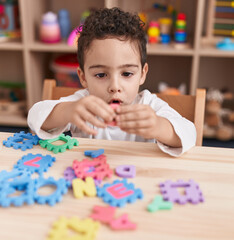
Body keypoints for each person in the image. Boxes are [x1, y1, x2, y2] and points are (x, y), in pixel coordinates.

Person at [28, 7, 196, 157]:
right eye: (101, 75)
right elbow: (35, 116)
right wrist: (67, 111)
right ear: (83, 77)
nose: (115, 86)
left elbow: (190, 133)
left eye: (127, 73)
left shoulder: (148, 105)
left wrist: (158, 127)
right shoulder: (83, 105)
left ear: (142, 74)